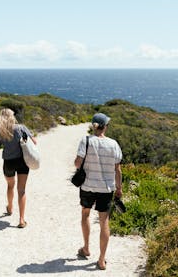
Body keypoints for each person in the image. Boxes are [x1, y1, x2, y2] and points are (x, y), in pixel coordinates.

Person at [74, 113, 123, 271]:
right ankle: (101, 260)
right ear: (106, 126)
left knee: (85, 214)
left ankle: (86, 248)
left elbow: (77, 162)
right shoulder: (113, 144)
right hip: (106, 189)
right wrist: (119, 188)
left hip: (88, 186)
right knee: (104, 222)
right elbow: (118, 169)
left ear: (93, 126)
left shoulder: (86, 140)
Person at [0, 108, 37, 228]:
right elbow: (34, 142)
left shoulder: (0, 131)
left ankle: (10, 207)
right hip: (22, 162)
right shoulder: (21, 128)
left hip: (8, 163)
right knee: (21, 190)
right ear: (12, 116)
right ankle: (22, 220)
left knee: (10, 185)